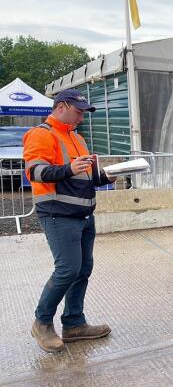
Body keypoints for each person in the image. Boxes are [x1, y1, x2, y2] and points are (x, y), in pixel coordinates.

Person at [23, 89, 115, 353]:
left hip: (83, 214)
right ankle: (41, 323)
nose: (81, 117)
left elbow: (83, 176)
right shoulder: (42, 134)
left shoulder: (76, 138)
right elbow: (35, 171)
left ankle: (74, 324)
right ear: (61, 106)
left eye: (83, 112)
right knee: (67, 269)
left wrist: (105, 177)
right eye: (78, 111)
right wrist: (68, 169)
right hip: (58, 214)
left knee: (83, 269)